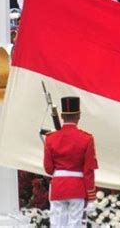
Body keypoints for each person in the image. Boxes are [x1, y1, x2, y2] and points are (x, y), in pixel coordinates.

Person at [43, 96, 98, 228]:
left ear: (61, 116)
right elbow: (88, 169)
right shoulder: (87, 138)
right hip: (77, 187)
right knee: (75, 223)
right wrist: (91, 195)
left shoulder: (51, 138)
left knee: (57, 224)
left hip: (58, 186)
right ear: (78, 116)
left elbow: (49, 169)